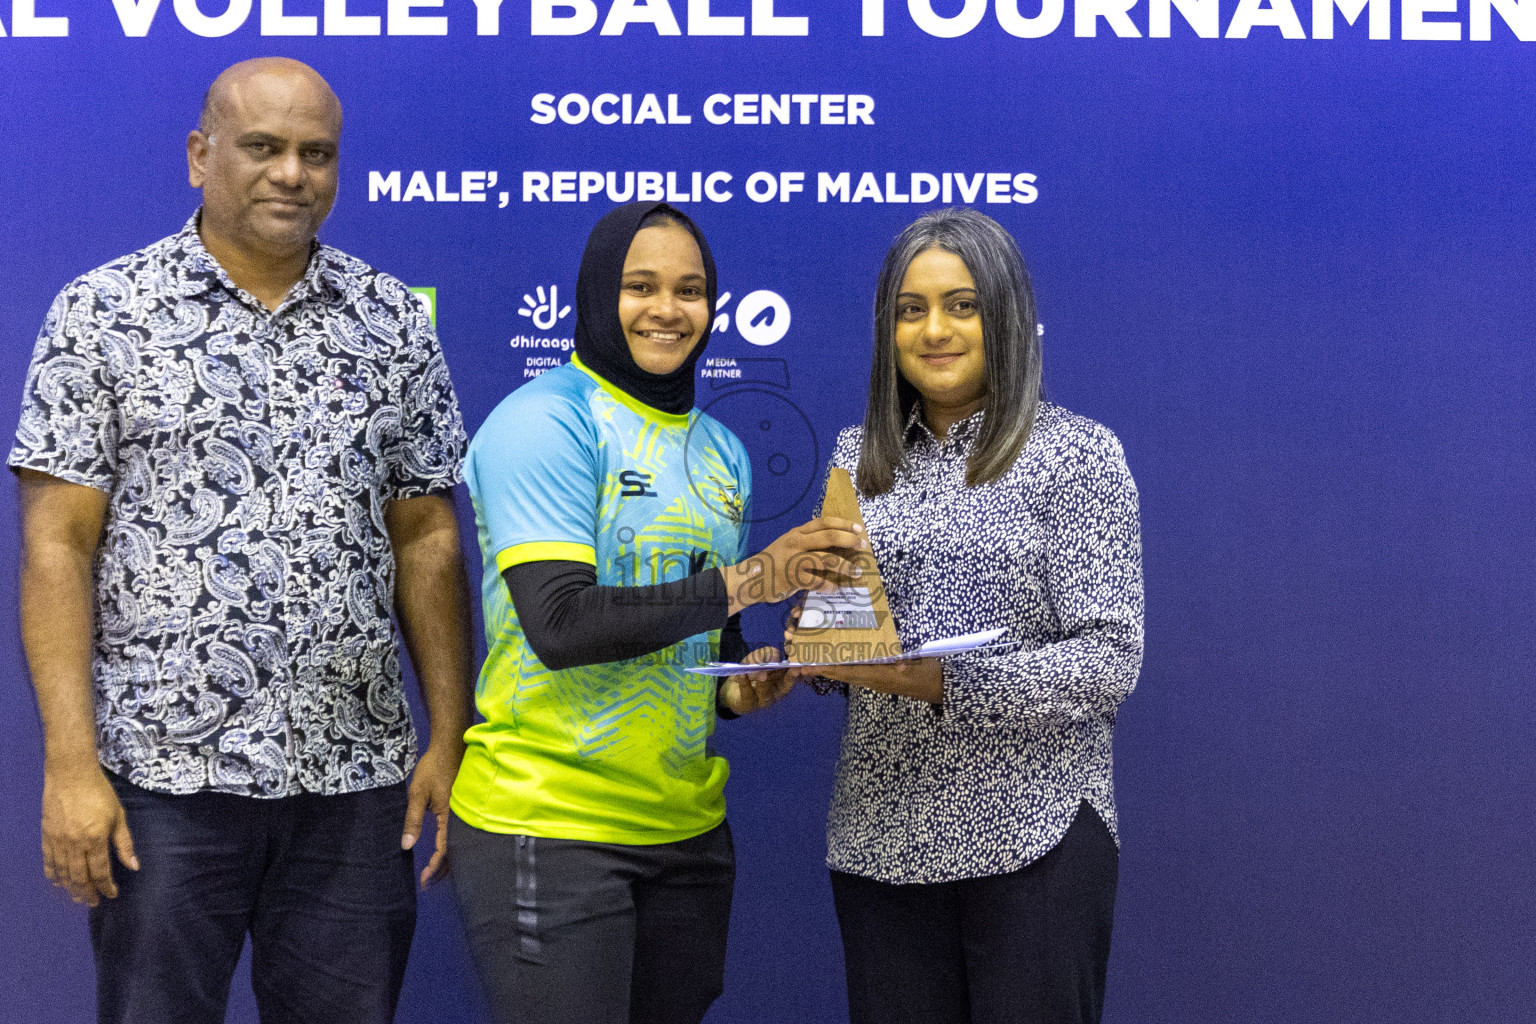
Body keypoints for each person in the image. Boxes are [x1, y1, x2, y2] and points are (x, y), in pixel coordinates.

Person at [11, 58, 473, 1024]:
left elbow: (428, 537)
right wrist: (69, 764)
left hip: (355, 783)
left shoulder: (392, 322)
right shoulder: (103, 313)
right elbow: (58, 545)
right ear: (199, 156)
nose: (291, 174)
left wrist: (448, 733)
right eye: (263, 148)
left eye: (316, 153)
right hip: (165, 782)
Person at [447, 200, 866, 1024]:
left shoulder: (723, 453)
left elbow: (704, 640)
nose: (667, 310)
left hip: (687, 833)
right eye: (641, 287)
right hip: (553, 824)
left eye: (690, 289)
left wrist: (739, 687)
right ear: (599, 296)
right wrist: (753, 577)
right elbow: (561, 625)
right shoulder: (545, 422)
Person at [790, 207, 1144, 1024]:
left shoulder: (1076, 455)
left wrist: (940, 680)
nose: (934, 329)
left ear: (1007, 316)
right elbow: (850, 642)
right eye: (911, 309)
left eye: (962, 304)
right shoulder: (857, 456)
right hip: (880, 840)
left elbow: (1108, 662)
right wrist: (816, 649)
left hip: (1035, 835)